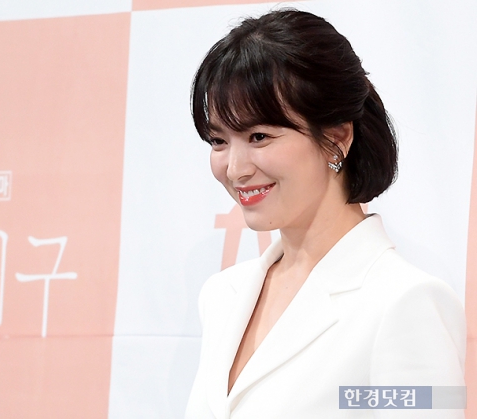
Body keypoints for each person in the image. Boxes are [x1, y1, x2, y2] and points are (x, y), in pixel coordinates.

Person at [185, 9, 466, 419]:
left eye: (259, 136)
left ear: (336, 137)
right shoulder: (222, 296)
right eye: (218, 140)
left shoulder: (406, 303)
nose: (235, 169)